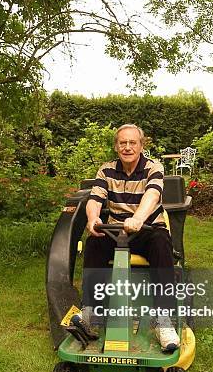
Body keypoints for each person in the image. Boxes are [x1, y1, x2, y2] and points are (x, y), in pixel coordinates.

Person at [72, 124, 180, 352]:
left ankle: (164, 321)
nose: (127, 147)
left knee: (161, 243)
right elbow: (95, 199)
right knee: (94, 242)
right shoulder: (106, 170)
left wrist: (139, 218)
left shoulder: (153, 168)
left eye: (133, 143)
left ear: (141, 146)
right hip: (116, 230)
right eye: (123, 143)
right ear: (116, 146)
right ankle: (91, 313)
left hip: (147, 229)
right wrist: (92, 219)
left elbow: (152, 195)